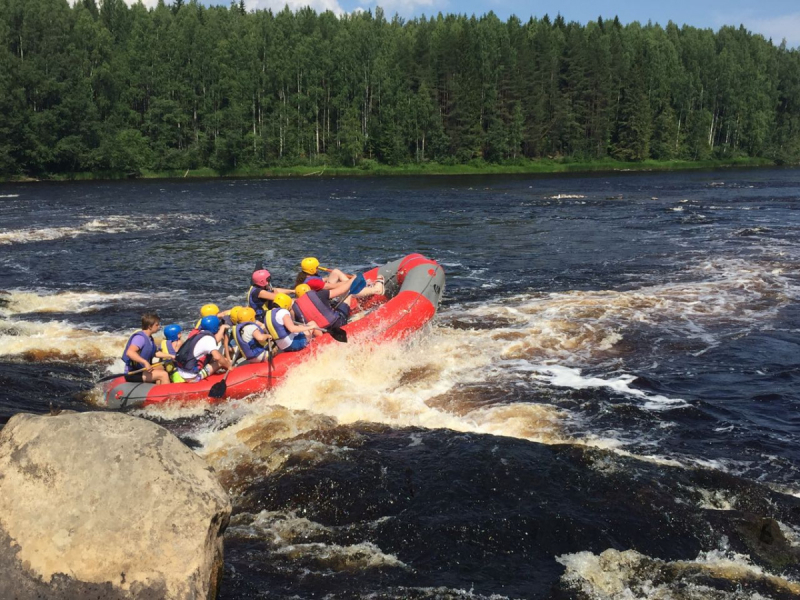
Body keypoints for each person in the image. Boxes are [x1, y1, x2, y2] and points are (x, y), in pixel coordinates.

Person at [173, 315, 231, 383]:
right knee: (222, 362)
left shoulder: (199, 334)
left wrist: (222, 328)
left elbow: (215, 340)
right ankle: (230, 374)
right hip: (192, 377)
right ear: (215, 327)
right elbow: (218, 357)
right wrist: (229, 366)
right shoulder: (209, 339)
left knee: (219, 360)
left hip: (181, 371)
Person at [121, 313, 170, 385]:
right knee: (163, 374)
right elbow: (130, 352)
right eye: (157, 325)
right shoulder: (140, 338)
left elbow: (154, 353)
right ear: (150, 326)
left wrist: (170, 356)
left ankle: (157, 390)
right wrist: (145, 362)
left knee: (162, 368)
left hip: (141, 370)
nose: (159, 327)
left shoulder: (149, 338)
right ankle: (167, 395)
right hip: (134, 372)